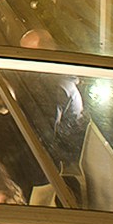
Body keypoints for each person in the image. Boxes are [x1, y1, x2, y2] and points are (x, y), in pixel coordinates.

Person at [20, 28, 86, 167]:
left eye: (27, 52)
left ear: (44, 52)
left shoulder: (53, 87)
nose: (21, 56)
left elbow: (46, 132)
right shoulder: (53, 73)